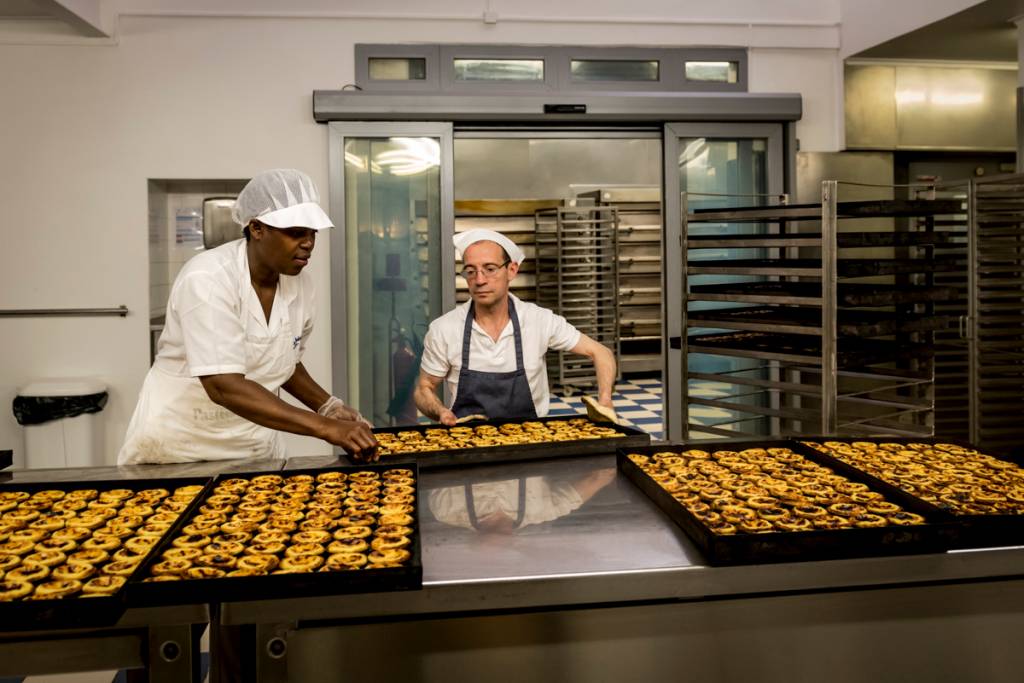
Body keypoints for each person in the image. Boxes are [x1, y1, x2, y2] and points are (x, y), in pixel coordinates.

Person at [118, 168, 376, 465]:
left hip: (252, 441)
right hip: (180, 443)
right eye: (295, 233)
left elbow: (281, 358)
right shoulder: (208, 278)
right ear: (256, 228)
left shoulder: (300, 283)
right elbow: (222, 385)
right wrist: (326, 428)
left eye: (311, 234)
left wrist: (328, 406)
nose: (308, 243)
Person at [413, 228, 617, 426]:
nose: (480, 280)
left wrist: (605, 400)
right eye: (471, 271)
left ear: (511, 270)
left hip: (530, 440)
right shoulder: (444, 329)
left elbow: (601, 352)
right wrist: (440, 412)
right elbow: (424, 388)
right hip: (467, 443)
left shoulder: (539, 320)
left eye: (490, 269)